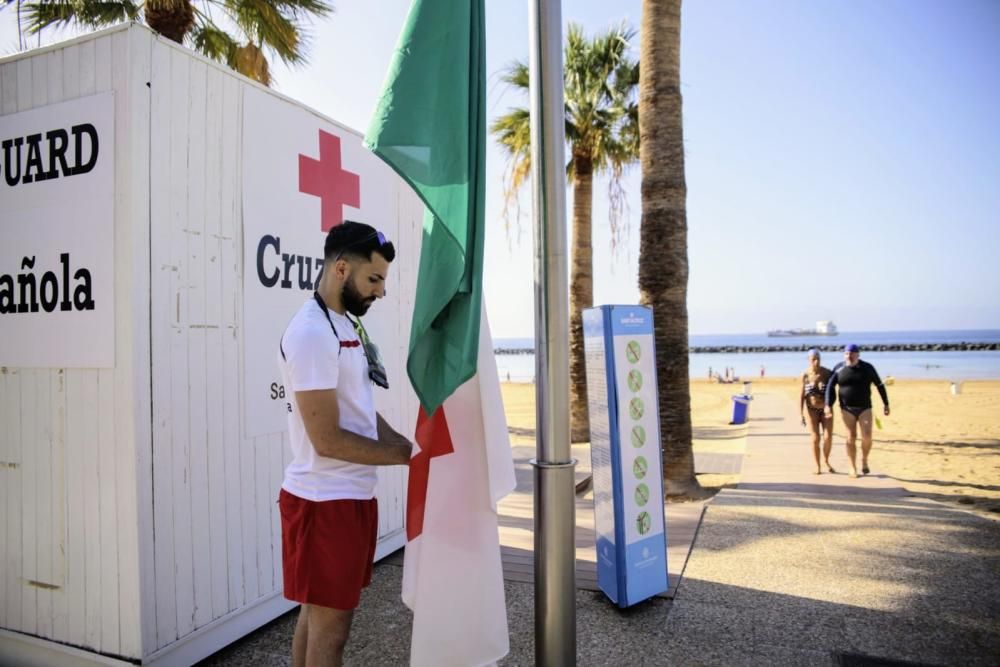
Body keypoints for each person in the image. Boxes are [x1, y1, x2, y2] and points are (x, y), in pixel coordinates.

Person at [277, 221, 413, 667]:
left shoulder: (343, 323)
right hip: (323, 504)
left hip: (349, 497)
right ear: (340, 268)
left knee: (314, 620)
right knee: (330, 637)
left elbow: (358, 410)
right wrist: (402, 457)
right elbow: (328, 439)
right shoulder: (312, 332)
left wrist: (409, 448)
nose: (381, 291)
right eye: (373, 279)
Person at [824, 343, 890, 478]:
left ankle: (864, 459)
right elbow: (829, 387)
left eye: (852, 353)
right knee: (850, 437)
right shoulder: (839, 368)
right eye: (847, 353)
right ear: (844, 355)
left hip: (865, 407)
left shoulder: (867, 368)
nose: (850, 356)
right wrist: (827, 405)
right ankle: (852, 467)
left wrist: (886, 404)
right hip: (846, 408)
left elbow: (879, 385)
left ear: (858, 354)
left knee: (867, 436)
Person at [800, 348, 834, 474]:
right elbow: (801, 395)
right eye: (813, 359)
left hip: (826, 410)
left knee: (828, 437)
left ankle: (826, 460)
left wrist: (829, 405)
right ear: (809, 360)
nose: (816, 362)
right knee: (815, 438)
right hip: (811, 410)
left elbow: (834, 390)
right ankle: (817, 465)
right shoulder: (805, 375)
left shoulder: (827, 373)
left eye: (818, 359)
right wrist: (800, 414)